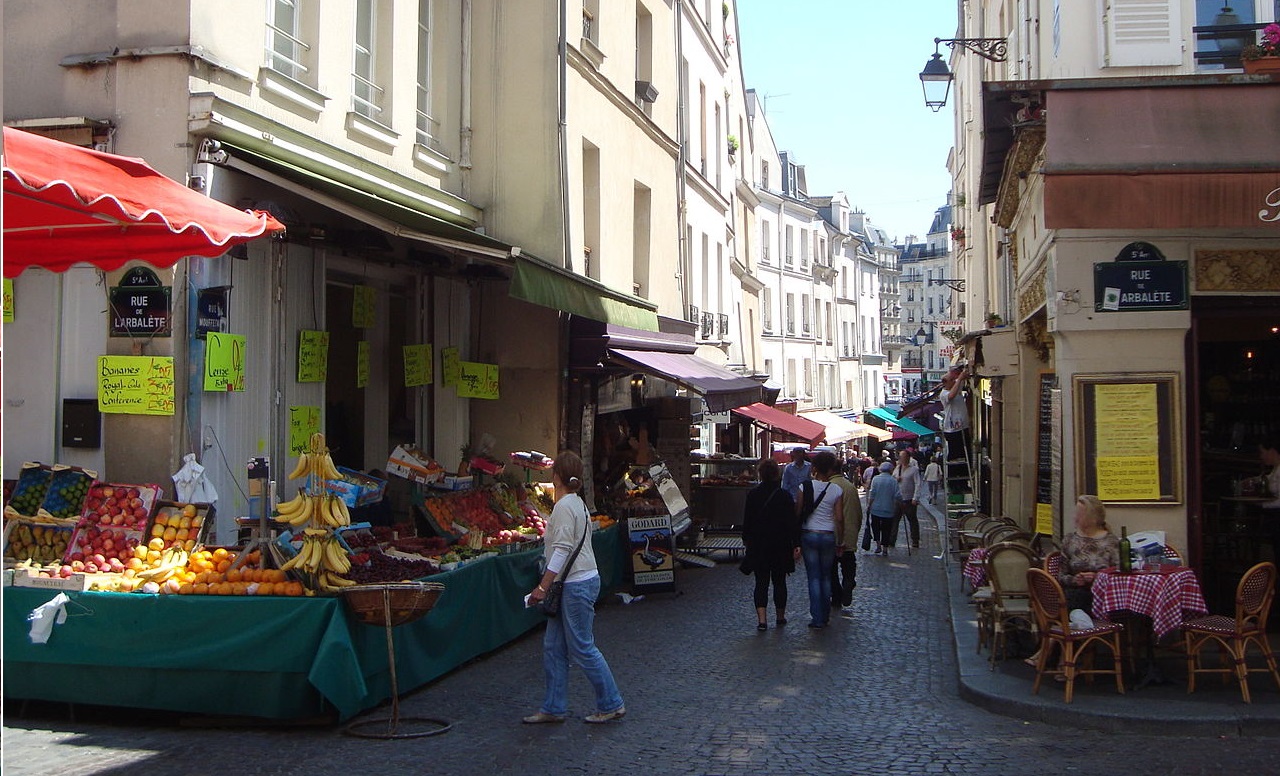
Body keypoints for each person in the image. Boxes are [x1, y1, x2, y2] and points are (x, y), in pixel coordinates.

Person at [524, 451, 626, 725]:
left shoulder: (564, 507)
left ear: (556, 476)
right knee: (554, 647)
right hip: (576, 582)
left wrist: (543, 586)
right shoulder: (577, 504)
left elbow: (562, 550)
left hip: (575, 584)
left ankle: (611, 702)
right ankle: (554, 706)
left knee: (581, 647)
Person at [741, 458, 799, 630]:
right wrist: (796, 543)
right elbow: (791, 522)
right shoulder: (784, 496)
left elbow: (747, 521)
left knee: (761, 582)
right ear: (776, 475)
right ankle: (780, 617)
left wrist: (747, 541)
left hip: (759, 545)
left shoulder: (753, 495)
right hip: (780, 545)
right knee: (779, 582)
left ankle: (762, 620)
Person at [798, 451, 844, 628]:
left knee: (814, 577)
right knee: (826, 577)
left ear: (815, 468)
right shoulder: (836, 489)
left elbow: (798, 511)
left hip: (809, 533)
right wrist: (840, 541)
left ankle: (816, 617)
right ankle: (825, 615)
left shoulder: (805, 487)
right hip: (828, 535)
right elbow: (839, 518)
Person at [1056, 494, 1120, 613]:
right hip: (1076, 592)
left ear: (1093, 518)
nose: (1076, 518)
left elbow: (1118, 573)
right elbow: (1061, 576)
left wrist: (1097, 577)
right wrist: (1075, 579)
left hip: (1104, 593)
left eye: (1080, 514)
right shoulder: (1070, 540)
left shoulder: (1111, 542)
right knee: (1075, 598)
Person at [828, 457, 864, 615]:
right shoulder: (850, 487)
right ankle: (848, 581)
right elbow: (858, 511)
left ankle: (836, 596)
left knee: (831, 568)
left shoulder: (828, 487)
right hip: (849, 533)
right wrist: (856, 529)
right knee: (848, 562)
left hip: (832, 533)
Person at [940, 365, 972, 493]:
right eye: (951, 381)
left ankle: (963, 482)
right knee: (955, 457)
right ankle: (954, 482)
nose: (954, 382)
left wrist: (960, 377)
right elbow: (952, 395)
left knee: (964, 456)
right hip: (952, 429)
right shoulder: (944, 393)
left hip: (961, 427)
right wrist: (959, 380)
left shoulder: (955, 388)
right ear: (946, 383)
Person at [866, 461, 901, 556]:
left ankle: (878, 545)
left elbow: (872, 493)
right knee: (887, 529)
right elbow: (898, 495)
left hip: (876, 508)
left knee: (876, 527)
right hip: (889, 509)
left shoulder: (876, 479)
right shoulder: (893, 480)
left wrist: (869, 505)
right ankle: (885, 548)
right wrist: (901, 502)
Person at [892, 449, 922, 549]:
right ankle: (892, 540)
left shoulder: (914, 470)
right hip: (898, 499)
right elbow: (892, 479)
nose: (901, 459)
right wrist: (896, 479)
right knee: (894, 520)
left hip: (909, 499)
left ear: (908, 458)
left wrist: (915, 497)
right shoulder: (897, 468)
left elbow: (918, 484)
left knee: (912, 520)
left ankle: (915, 540)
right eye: (900, 457)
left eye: (903, 457)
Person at [1259, 438, 1280, 553]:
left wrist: (1262, 504)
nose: (1261, 456)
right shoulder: (1275, 470)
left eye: (1262, 452)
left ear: (1271, 451)